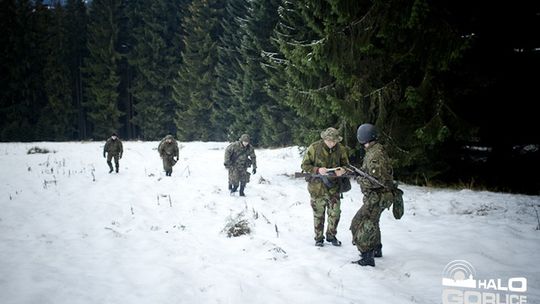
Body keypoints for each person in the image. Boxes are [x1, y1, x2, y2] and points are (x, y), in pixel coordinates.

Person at [350, 123, 394, 267]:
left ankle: (367, 256)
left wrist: (358, 178)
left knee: (360, 222)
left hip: (378, 196)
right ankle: (376, 249)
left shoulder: (374, 154)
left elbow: (376, 182)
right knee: (374, 222)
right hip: (381, 195)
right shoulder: (376, 150)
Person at [301, 127, 349, 247]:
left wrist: (342, 170)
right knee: (318, 214)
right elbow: (304, 165)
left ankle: (331, 235)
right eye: (329, 141)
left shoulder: (341, 149)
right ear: (324, 139)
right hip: (317, 188)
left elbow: (346, 165)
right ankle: (319, 238)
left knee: (335, 213)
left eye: (334, 141)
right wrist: (317, 169)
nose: (332, 143)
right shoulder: (314, 148)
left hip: (334, 187)